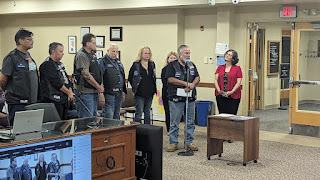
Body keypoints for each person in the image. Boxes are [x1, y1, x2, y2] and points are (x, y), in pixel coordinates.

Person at [0, 28, 39, 126]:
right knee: (18, 131)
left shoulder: (28, 55)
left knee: (31, 130)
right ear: (21, 41)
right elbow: (2, 80)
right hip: (17, 102)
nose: (32, 41)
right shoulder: (12, 57)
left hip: (31, 101)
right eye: (29, 39)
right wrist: (6, 91)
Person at [166, 45, 200, 152]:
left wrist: (192, 85)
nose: (188, 55)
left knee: (190, 121)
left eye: (189, 53)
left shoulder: (191, 65)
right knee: (175, 121)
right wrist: (186, 84)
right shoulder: (172, 65)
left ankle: (189, 142)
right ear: (180, 54)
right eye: (186, 53)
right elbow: (170, 79)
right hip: (176, 98)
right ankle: (173, 142)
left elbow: (197, 77)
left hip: (189, 98)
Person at [39, 42, 75, 120]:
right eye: (61, 51)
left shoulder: (60, 64)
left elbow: (66, 80)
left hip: (63, 99)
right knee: (57, 124)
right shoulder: (47, 65)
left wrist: (70, 91)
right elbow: (56, 83)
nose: (63, 54)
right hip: (53, 100)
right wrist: (68, 92)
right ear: (53, 52)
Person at [73, 33, 104, 118]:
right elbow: (86, 75)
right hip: (85, 93)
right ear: (87, 44)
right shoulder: (82, 55)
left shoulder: (92, 54)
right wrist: (98, 87)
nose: (96, 44)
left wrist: (99, 87)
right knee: (87, 120)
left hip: (93, 91)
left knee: (94, 119)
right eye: (94, 43)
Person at [128, 46, 156, 124]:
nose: (147, 55)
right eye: (145, 53)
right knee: (139, 112)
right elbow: (130, 77)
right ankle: (138, 130)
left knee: (147, 112)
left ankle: (148, 129)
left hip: (150, 92)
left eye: (149, 53)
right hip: (139, 93)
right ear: (141, 54)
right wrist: (135, 87)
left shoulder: (152, 64)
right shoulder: (136, 64)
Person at [100, 43, 127, 119]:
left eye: (116, 52)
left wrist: (124, 91)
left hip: (119, 92)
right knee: (109, 115)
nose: (115, 54)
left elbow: (122, 77)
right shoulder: (102, 62)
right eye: (113, 51)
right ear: (108, 51)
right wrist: (100, 93)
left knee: (117, 115)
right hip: (109, 93)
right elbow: (99, 78)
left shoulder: (118, 63)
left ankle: (116, 131)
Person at [214, 49, 242, 115]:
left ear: (233, 58)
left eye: (229, 55)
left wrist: (231, 92)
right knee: (222, 115)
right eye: (226, 54)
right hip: (220, 95)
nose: (227, 55)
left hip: (233, 96)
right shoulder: (220, 67)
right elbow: (215, 80)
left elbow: (238, 82)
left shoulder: (237, 68)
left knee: (231, 115)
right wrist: (219, 90)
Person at [161, 52, 178, 134]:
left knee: (176, 113)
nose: (172, 59)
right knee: (168, 112)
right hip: (166, 93)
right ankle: (169, 129)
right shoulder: (164, 69)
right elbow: (165, 81)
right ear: (168, 60)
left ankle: (175, 129)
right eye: (171, 58)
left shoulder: (179, 69)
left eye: (174, 58)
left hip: (177, 93)